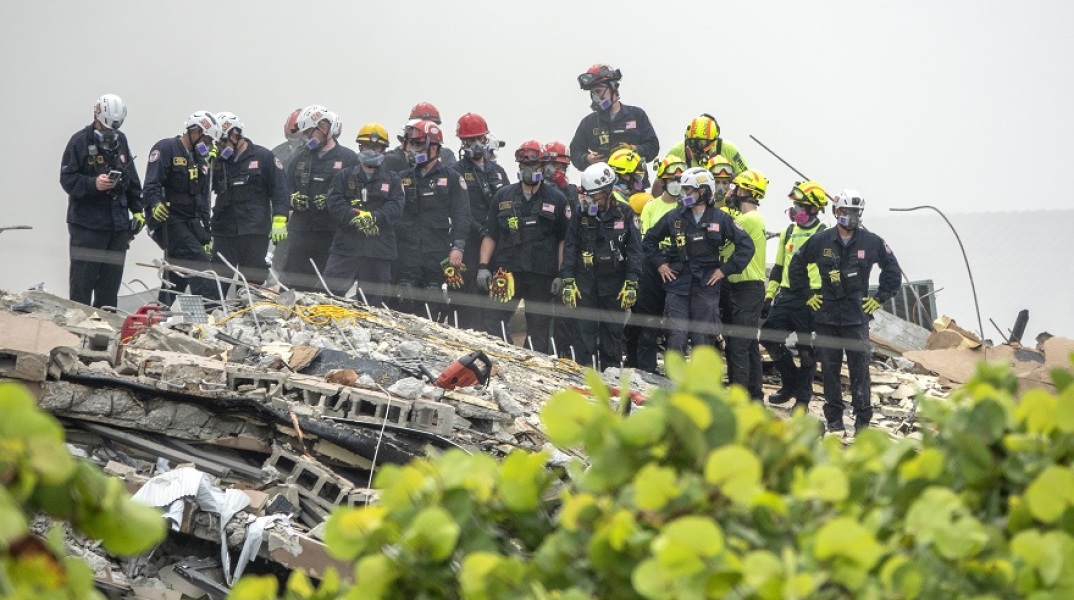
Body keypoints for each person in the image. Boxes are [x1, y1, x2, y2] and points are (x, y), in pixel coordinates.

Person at [788, 189, 901, 436]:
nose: (850, 217)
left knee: (859, 370)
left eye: (855, 213)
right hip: (826, 315)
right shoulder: (821, 240)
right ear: (836, 211)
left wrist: (880, 298)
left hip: (856, 317)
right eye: (846, 211)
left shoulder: (871, 242)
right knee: (829, 369)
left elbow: (892, 271)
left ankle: (862, 422)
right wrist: (808, 294)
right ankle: (835, 420)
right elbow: (796, 265)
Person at [642, 167, 753, 356]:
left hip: (706, 285)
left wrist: (724, 270)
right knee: (676, 336)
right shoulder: (674, 216)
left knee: (703, 339)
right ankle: (673, 383)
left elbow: (746, 246)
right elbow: (649, 240)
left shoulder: (721, 218)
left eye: (688, 190)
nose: (683, 193)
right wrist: (660, 264)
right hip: (677, 284)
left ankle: (700, 383)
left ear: (703, 191)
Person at [478, 140, 570, 352]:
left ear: (542, 166)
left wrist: (562, 273)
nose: (528, 170)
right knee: (494, 322)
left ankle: (533, 367)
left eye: (533, 166)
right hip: (507, 273)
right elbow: (490, 233)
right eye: (523, 166)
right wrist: (483, 267)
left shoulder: (556, 198)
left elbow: (564, 239)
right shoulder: (503, 196)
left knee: (539, 329)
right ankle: (504, 357)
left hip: (542, 274)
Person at [60, 93, 145, 308]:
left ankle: (104, 332)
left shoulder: (121, 140)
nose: (111, 132)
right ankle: (78, 332)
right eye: (107, 128)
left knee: (109, 286)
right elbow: (67, 179)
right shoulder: (79, 141)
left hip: (117, 226)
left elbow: (132, 178)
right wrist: (93, 184)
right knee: (82, 282)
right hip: (88, 226)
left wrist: (138, 210)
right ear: (97, 116)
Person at [560, 163, 643, 369]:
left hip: (614, 285)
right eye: (586, 194)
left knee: (612, 334)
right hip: (585, 283)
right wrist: (567, 279)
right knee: (583, 332)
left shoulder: (625, 213)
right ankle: (585, 377)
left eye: (593, 195)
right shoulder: (579, 214)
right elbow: (570, 246)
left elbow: (634, 250)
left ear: (607, 192)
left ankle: (611, 376)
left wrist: (632, 281)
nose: (588, 200)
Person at [761, 180, 829, 414]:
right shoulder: (788, 232)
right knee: (769, 338)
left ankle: (802, 399)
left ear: (813, 208)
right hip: (787, 295)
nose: (795, 210)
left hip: (812, 298)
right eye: (795, 205)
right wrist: (770, 295)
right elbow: (779, 267)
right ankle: (789, 382)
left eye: (800, 205)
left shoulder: (824, 235)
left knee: (807, 351)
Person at [394, 119, 471, 318]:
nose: (414, 149)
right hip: (407, 253)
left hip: (437, 253)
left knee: (432, 302)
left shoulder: (452, 178)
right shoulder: (402, 178)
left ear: (434, 147)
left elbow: (462, 215)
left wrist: (458, 247)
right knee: (404, 300)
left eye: (419, 144)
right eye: (412, 144)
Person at [208, 112, 289, 295]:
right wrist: (208, 164)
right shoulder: (217, 160)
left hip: (254, 231)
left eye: (222, 141)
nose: (219, 146)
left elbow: (280, 190)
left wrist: (279, 219)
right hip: (224, 231)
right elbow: (202, 190)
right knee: (217, 283)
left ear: (235, 136)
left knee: (250, 285)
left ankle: (245, 317)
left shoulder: (263, 157)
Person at [144, 111, 221, 302]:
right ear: (195, 131)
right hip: (170, 221)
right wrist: (154, 204)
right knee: (200, 265)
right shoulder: (167, 148)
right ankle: (214, 309)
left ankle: (163, 310)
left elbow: (202, 199)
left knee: (177, 273)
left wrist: (206, 233)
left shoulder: (199, 159)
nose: (210, 144)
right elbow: (151, 184)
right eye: (208, 139)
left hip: (191, 223)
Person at [281, 105, 359, 291]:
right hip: (301, 232)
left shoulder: (348, 158)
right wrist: (292, 199)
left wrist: (333, 202)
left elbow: (357, 197)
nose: (307, 138)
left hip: (331, 234)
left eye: (309, 132)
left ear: (323, 128)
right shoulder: (299, 157)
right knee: (292, 284)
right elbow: (283, 188)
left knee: (326, 287)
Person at [624, 155, 685, 372]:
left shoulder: (686, 208)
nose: (676, 183)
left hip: (678, 268)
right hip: (652, 268)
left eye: (680, 179)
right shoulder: (651, 206)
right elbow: (646, 240)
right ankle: (645, 370)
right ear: (663, 181)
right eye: (672, 179)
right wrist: (658, 263)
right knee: (647, 324)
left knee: (674, 327)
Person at [451, 112, 510, 329]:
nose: (475, 144)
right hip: (471, 243)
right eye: (469, 140)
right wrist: (482, 230)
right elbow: (459, 210)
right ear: (462, 142)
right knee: (472, 296)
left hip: (498, 244)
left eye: (479, 138)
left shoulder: (499, 172)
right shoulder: (455, 171)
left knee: (498, 294)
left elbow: (508, 203)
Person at [323, 148, 404, 306]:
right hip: (346, 248)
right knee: (329, 295)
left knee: (375, 303)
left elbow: (397, 205)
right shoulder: (344, 176)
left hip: (379, 250)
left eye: (377, 147)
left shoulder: (393, 179)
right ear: (359, 147)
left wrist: (374, 217)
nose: (372, 151)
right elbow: (334, 201)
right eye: (367, 145)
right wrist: (354, 217)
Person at [722, 169, 769, 401]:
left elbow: (724, 246)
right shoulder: (754, 219)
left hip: (745, 288)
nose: (732, 191)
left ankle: (739, 398)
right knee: (749, 345)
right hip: (749, 288)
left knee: (738, 345)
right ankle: (755, 395)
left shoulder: (747, 220)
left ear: (746, 191)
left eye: (736, 188)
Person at [569, 64, 659, 172]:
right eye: (592, 93)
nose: (596, 97)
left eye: (598, 91)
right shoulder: (588, 123)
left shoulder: (637, 115)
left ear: (613, 87)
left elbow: (653, 146)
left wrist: (633, 149)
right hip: (603, 183)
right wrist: (588, 159)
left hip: (634, 181)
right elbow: (575, 152)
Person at [653, 115, 747, 196]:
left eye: (702, 142)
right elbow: (660, 182)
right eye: (692, 142)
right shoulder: (677, 151)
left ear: (714, 141)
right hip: (686, 203)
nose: (697, 146)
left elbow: (745, 176)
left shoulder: (728, 149)